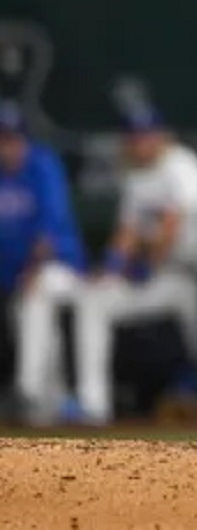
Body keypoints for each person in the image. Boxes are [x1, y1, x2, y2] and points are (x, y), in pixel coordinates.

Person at [74, 107, 197, 424]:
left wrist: (145, 262)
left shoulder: (183, 166)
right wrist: (112, 267)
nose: (140, 143)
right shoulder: (135, 174)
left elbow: (173, 225)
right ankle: (93, 405)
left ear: (161, 136)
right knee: (94, 301)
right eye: (134, 137)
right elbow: (128, 232)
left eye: (146, 135)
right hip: (164, 274)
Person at [0, 101, 87, 425]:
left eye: (12, 139)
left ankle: (29, 389)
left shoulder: (42, 165)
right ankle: (54, 401)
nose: (6, 147)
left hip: (59, 268)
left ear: (24, 139)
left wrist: (32, 271)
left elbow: (48, 234)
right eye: (1, 140)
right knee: (30, 317)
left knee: (34, 297)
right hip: (18, 276)